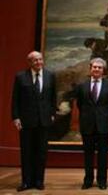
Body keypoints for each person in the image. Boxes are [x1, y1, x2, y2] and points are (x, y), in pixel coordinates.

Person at [12, 51, 56, 192]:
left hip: (44, 121)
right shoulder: (20, 77)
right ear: (29, 62)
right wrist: (16, 117)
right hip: (26, 121)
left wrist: (53, 114)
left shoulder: (50, 76)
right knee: (27, 152)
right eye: (35, 60)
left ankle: (39, 181)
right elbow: (15, 100)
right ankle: (26, 182)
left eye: (40, 59)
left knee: (41, 152)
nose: (38, 62)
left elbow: (53, 98)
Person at [75, 58, 108, 190]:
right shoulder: (82, 86)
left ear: (103, 70)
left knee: (103, 155)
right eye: (94, 67)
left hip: (103, 125)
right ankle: (88, 180)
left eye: (99, 68)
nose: (97, 69)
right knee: (88, 155)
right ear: (90, 69)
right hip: (87, 125)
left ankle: (102, 181)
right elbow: (80, 105)